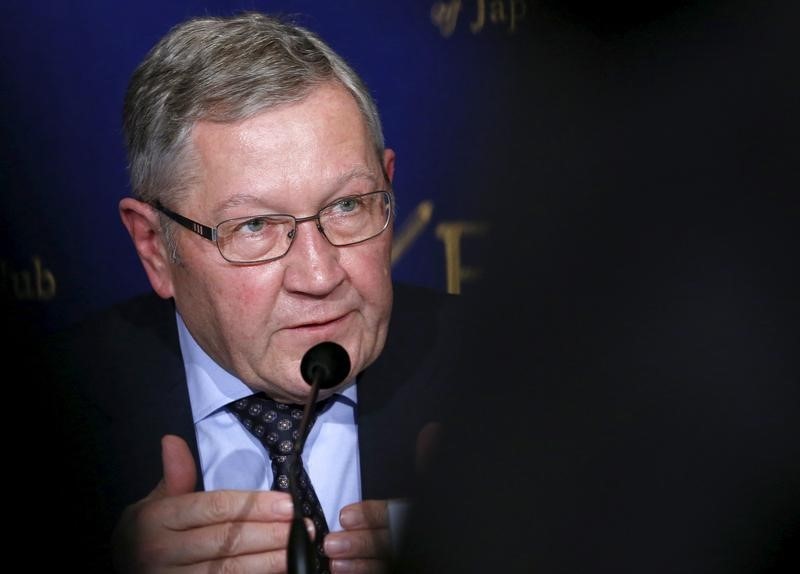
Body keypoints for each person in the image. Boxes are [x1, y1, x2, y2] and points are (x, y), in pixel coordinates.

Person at [43, 11, 463, 573]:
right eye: (253, 227)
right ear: (152, 246)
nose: (318, 277)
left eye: (347, 206)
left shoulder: (516, 373)